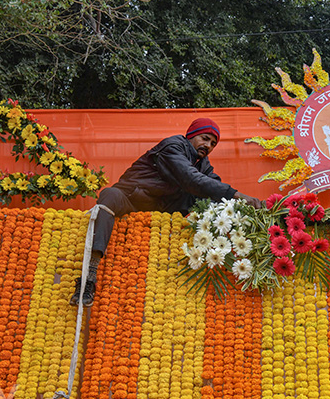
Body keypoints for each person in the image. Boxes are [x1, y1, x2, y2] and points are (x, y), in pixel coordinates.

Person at [70, 117, 262, 306]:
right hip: (132, 199)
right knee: (109, 195)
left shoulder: (203, 164)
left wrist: (247, 207)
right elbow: (190, 178)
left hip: (162, 209)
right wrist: (238, 194)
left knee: (214, 202)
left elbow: (213, 185)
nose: (209, 145)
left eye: (213, 143)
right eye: (205, 138)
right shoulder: (173, 146)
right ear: (191, 136)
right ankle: (89, 276)